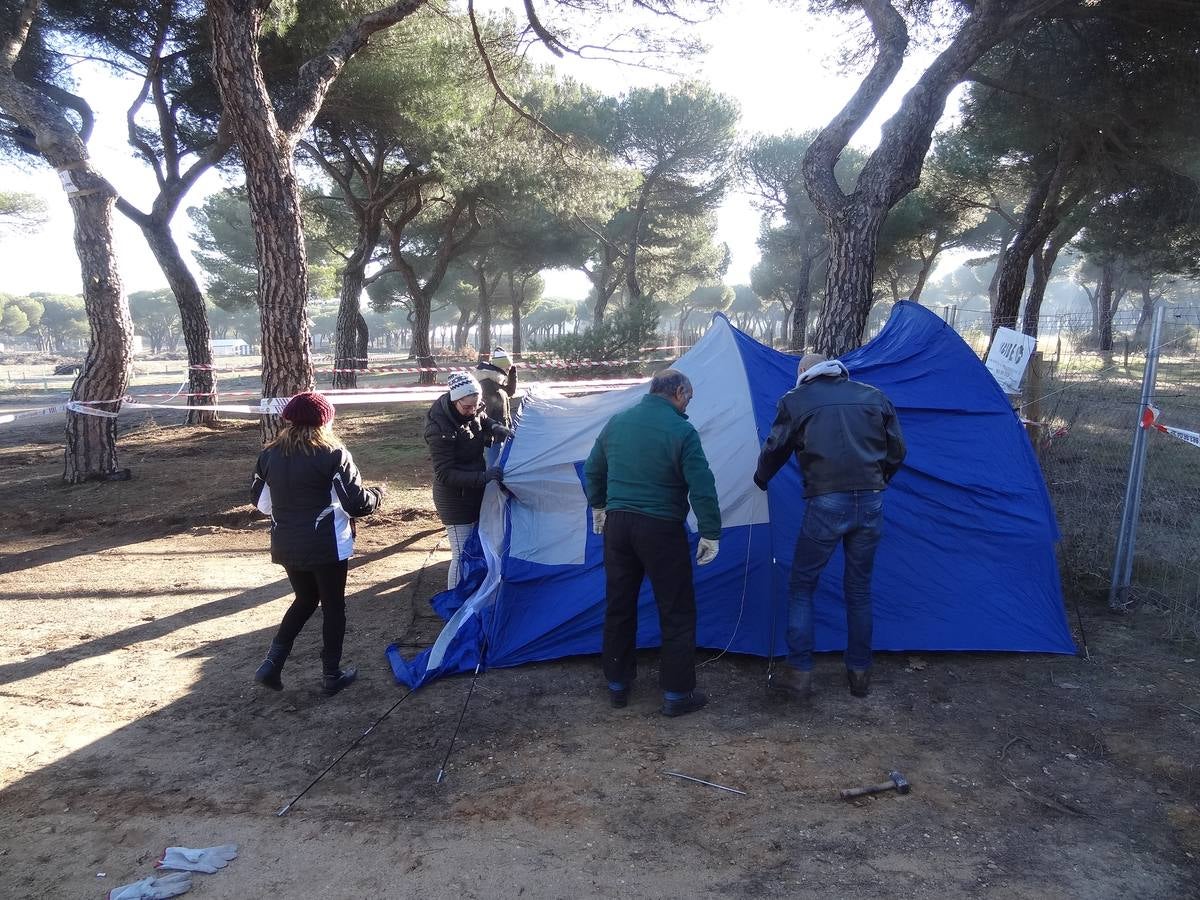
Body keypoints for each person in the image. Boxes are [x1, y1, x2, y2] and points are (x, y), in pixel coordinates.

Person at [754, 353, 906, 701]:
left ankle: (800, 673)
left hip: (826, 500)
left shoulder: (796, 400)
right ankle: (859, 673)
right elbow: (897, 449)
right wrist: (877, 479)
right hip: (871, 500)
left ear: (804, 372)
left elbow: (775, 447)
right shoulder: (873, 396)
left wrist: (761, 479)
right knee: (859, 588)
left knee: (802, 586)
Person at [584, 369, 721, 718]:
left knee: (619, 604)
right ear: (677, 391)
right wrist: (710, 531)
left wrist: (599, 505)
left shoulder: (618, 422)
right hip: (661, 528)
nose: (688, 405)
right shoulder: (682, 431)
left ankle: (617, 684)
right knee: (675, 610)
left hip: (618, 527)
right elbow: (701, 484)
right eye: (688, 397)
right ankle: (676, 694)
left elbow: (593, 470)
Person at [251, 391, 385, 695]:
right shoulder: (334, 453)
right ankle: (331, 674)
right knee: (333, 607)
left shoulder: (269, 454)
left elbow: (261, 503)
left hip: (286, 543)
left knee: (305, 599)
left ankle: (272, 663)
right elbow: (357, 504)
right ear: (326, 420)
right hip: (327, 545)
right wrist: (378, 495)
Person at [425, 371, 514, 590]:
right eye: (467, 407)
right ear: (455, 400)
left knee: (476, 547)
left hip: (474, 490)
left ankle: (471, 594)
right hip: (454, 499)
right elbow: (445, 474)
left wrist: (494, 426)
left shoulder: (471, 408)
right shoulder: (438, 429)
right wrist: (483, 477)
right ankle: (454, 603)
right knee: (460, 552)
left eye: (476, 405)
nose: (472, 410)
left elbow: (481, 418)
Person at [475, 345, 518, 427]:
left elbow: (509, 392)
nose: (508, 372)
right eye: (507, 369)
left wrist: (513, 374)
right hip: (495, 431)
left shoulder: (496, 382)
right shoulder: (487, 385)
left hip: (501, 428)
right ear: (501, 368)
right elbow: (488, 414)